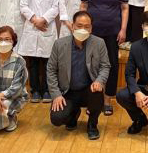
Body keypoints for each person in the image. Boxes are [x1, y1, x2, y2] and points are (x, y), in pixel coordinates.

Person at [48, 11, 111, 140]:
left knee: (97, 93)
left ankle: (92, 124)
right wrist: (56, 95)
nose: (83, 29)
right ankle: (73, 114)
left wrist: (99, 81)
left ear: (91, 28)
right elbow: (51, 70)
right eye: (79, 26)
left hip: (89, 90)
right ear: (72, 26)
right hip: (67, 91)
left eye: (87, 26)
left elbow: (105, 66)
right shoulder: (59, 44)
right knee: (57, 118)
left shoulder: (99, 43)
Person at [80, 0, 129, 115]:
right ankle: (92, 100)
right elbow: (83, 6)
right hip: (92, 33)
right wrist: (82, 28)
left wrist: (123, 29)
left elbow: (124, 8)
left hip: (113, 32)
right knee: (90, 64)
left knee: (112, 64)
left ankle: (107, 100)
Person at [19, 0, 60, 103]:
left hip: (47, 26)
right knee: (33, 62)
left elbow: (56, 7)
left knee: (48, 62)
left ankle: (47, 90)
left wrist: (43, 19)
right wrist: (34, 19)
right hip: (32, 26)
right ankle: (35, 90)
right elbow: (23, 5)